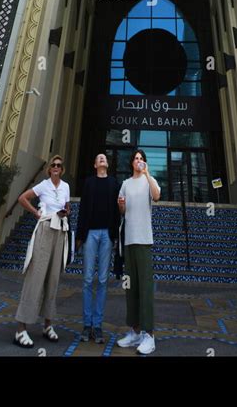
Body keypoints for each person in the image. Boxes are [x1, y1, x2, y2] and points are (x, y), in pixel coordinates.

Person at [13, 155, 70, 348]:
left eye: (59, 166)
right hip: (45, 229)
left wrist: (66, 211)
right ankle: (21, 329)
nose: (56, 167)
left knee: (53, 279)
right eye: (53, 165)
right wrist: (36, 212)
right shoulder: (43, 185)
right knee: (35, 277)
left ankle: (48, 324)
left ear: (62, 169)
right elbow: (22, 198)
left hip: (60, 230)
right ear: (49, 169)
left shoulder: (66, 187)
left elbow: (67, 205)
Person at [117, 149, 161, 355]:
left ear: (145, 162)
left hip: (144, 240)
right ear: (131, 163)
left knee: (145, 287)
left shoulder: (148, 180)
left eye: (141, 158)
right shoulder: (125, 184)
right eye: (135, 158)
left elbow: (157, 196)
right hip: (129, 240)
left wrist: (148, 173)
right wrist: (121, 205)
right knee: (131, 288)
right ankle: (134, 332)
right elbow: (122, 210)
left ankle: (149, 336)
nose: (138, 161)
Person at [75, 153, 120, 344]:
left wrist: (115, 236)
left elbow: (119, 210)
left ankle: (98, 325)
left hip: (107, 236)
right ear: (95, 164)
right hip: (91, 234)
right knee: (87, 279)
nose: (102, 159)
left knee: (102, 280)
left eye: (104, 158)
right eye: (99, 158)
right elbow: (83, 209)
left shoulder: (114, 183)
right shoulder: (89, 183)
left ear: (107, 164)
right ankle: (87, 325)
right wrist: (79, 235)